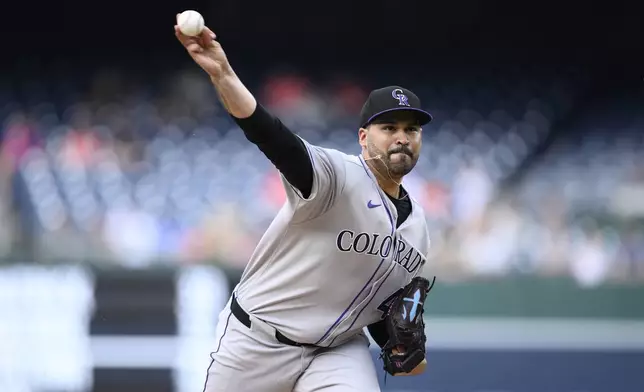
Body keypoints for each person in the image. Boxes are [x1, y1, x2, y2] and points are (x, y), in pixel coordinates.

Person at [174, 17, 434, 392]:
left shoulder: (419, 229)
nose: (401, 138)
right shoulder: (335, 176)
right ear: (363, 137)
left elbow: (383, 313)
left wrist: (400, 345)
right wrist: (224, 75)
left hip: (336, 352)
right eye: (389, 128)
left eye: (411, 129)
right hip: (259, 339)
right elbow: (272, 136)